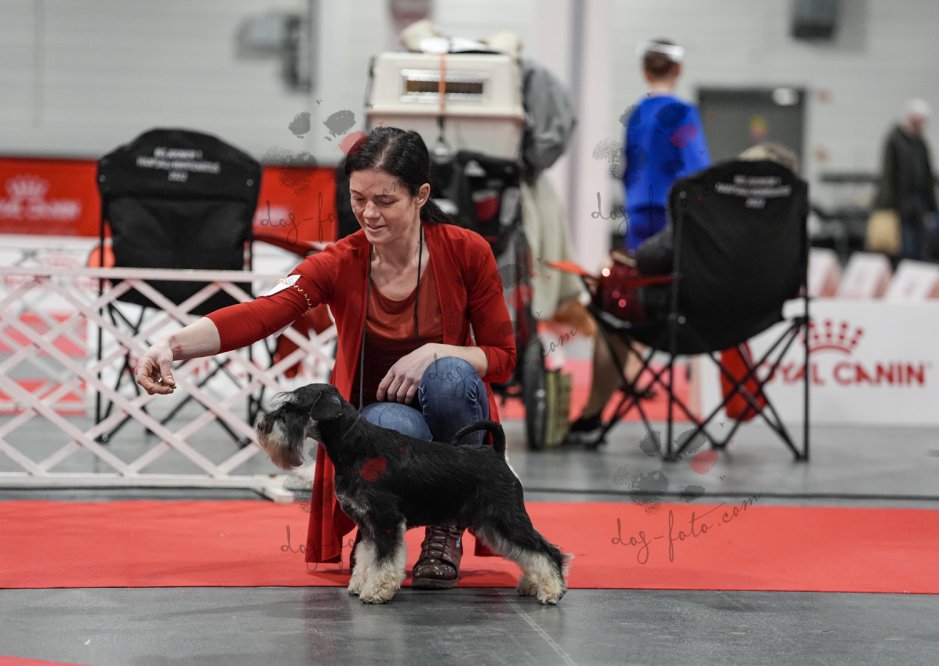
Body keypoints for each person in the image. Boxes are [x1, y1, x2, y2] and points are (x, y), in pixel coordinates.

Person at [135, 127, 516, 589]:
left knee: (450, 376)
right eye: (358, 198)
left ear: (421, 195)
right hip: (383, 420)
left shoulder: (467, 251)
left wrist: (437, 351)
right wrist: (171, 345)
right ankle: (379, 529)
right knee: (389, 423)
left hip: (453, 414)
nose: (369, 213)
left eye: (385, 200)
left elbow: (503, 359)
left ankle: (446, 528)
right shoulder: (339, 260)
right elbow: (262, 313)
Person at [566, 143, 798, 446]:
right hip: (760, 314)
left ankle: (591, 417)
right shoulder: (791, 217)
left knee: (612, 306)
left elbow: (651, 258)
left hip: (691, 315)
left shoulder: (711, 204)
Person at [621, 38, 711, 252]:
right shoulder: (682, 113)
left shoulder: (636, 115)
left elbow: (628, 167)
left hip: (638, 210)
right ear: (678, 70)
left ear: (645, 72)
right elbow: (697, 166)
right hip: (672, 211)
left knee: (638, 268)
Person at [873, 98, 938, 261]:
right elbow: (888, 174)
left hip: (918, 205)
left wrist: (932, 205)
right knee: (904, 249)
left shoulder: (921, 143)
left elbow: (927, 175)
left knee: (920, 249)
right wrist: (887, 205)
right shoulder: (894, 140)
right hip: (899, 205)